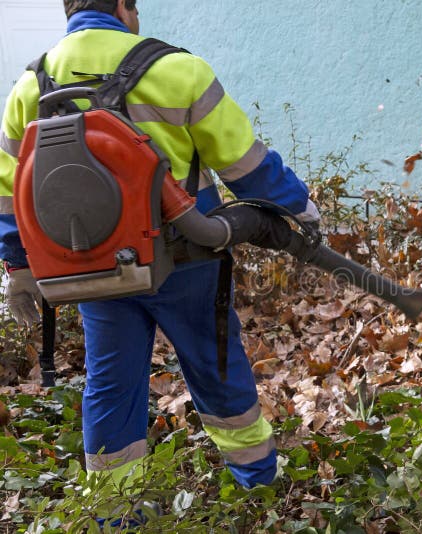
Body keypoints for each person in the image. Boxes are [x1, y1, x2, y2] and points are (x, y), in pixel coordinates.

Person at [0, 0, 319, 493]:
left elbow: (8, 191)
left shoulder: (29, 88)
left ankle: (113, 509)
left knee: (109, 385)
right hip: (190, 260)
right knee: (216, 369)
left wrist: (17, 265)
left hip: (96, 268)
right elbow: (246, 165)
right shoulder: (178, 70)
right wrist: (299, 209)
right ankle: (257, 488)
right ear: (124, 7)